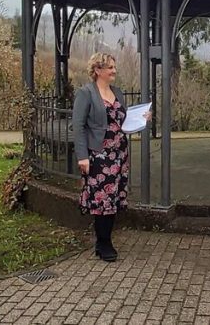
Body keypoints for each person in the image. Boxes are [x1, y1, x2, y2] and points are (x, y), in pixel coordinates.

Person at [72, 53, 135, 262]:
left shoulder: (117, 92)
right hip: (99, 155)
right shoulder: (86, 93)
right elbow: (79, 127)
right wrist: (82, 156)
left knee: (114, 198)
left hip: (119, 154)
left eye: (114, 67)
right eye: (110, 67)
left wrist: (140, 118)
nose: (114, 71)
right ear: (98, 70)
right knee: (102, 200)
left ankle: (105, 240)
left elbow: (123, 121)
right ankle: (103, 242)